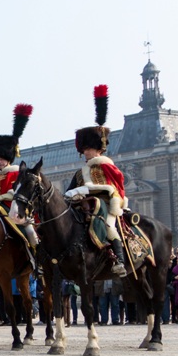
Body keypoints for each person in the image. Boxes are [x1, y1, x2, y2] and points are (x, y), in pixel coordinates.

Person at [65, 85, 128, 277]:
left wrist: (85, 189)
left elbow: (114, 187)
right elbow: (70, 190)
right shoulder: (81, 172)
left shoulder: (106, 165)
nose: (85, 153)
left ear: (97, 149)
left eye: (87, 150)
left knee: (109, 226)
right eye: (83, 150)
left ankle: (119, 260)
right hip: (84, 205)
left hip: (106, 204)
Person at [0, 104, 37, 249]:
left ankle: (36, 253)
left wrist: (3, 197)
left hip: (14, 207)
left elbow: (17, 191)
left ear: (8, 159)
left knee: (29, 230)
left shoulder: (16, 172)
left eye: (2, 159)